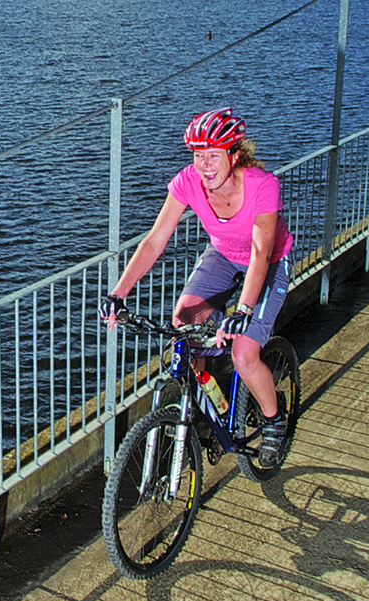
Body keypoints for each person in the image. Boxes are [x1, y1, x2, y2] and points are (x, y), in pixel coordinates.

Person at [101, 108, 295, 471]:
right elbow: (155, 240)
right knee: (184, 321)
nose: (204, 165)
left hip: (268, 261)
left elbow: (259, 253)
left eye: (213, 156)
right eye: (197, 156)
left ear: (234, 155)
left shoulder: (261, 185)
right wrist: (119, 293)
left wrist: (243, 311)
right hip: (222, 253)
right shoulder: (187, 181)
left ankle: (273, 419)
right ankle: (209, 405)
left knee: (244, 354)